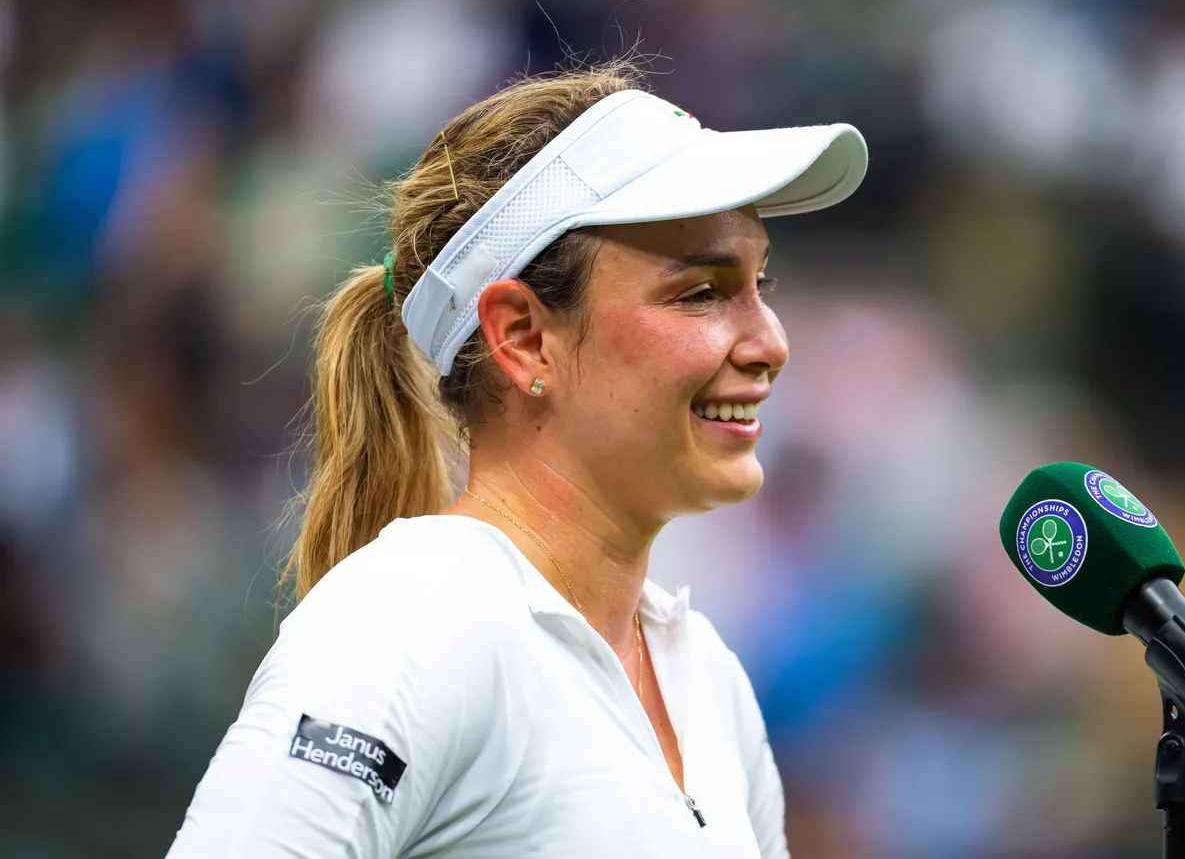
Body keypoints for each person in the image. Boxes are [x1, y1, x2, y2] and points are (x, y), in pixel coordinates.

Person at [166, 61, 866, 858]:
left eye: (759, 282)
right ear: (524, 337)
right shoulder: (412, 621)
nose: (771, 342)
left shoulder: (707, 678)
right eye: (702, 292)